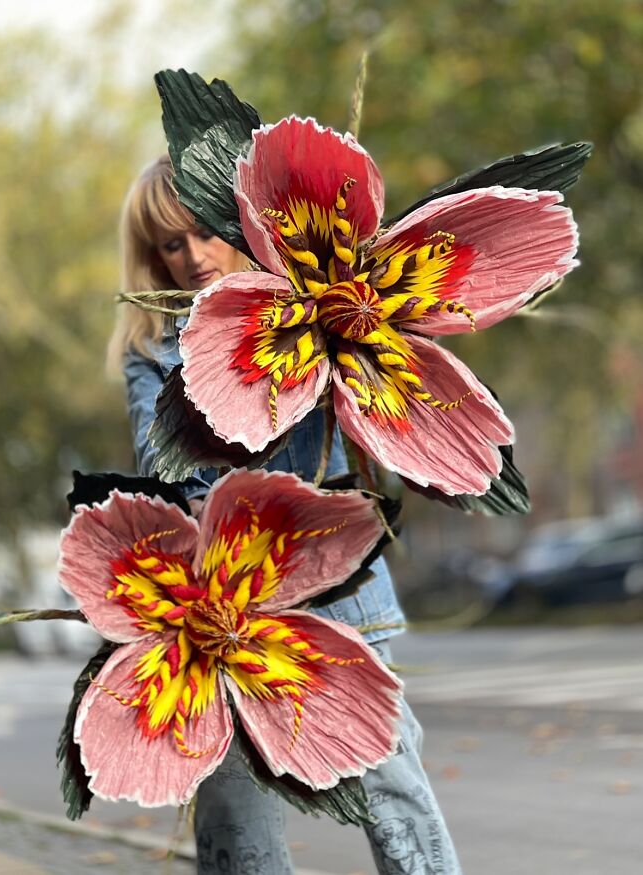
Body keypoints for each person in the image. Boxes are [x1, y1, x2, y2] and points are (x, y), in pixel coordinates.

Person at [107, 154, 462, 875]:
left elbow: (384, 412)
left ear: (237, 225)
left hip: (344, 598)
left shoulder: (317, 309)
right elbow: (166, 462)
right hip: (223, 617)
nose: (194, 256)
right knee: (236, 816)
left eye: (203, 232)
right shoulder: (150, 352)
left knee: (391, 789)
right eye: (170, 245)